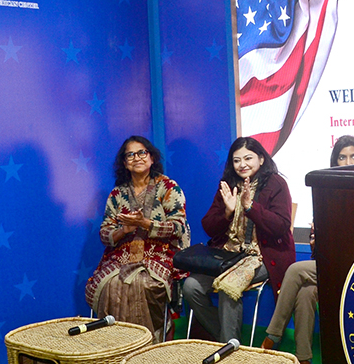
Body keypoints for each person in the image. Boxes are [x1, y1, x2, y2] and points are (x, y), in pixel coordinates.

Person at [262, 136, 354, 363]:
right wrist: (318, 234)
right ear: (335, 161)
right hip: (330, 261)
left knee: (294, 271)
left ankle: (272, 335)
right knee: (306, 293)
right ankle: (303, 358)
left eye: (353, 156)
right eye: (342, 157)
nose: (348, 162)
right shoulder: (327, 191)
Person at [183, 137, 296, 343]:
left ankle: (228, 348)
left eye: (248, 158)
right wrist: (227, 211)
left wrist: (251, 207)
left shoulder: (276, 183)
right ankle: (226, 340)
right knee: (191, 286)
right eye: (236, 160)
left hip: (262, 255)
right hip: (228, 254)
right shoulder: (228, 185)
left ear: (261, 159)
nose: (242, 164)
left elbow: (281, 227)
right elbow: (208, 227)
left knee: (229, 286)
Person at [85, 136, 190, 343]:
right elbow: (105, 234)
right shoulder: (117, 194)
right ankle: (114, 345)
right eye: (130, 155)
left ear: (151, 158)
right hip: (121, 255)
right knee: (111, 284)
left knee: (142, 283)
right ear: (124, 163)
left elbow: (178, 228)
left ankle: (150, 343)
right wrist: (125, 229)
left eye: (142, 152)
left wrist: (146, 224)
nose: (137, 158)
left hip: (160, 254)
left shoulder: (168, 187)